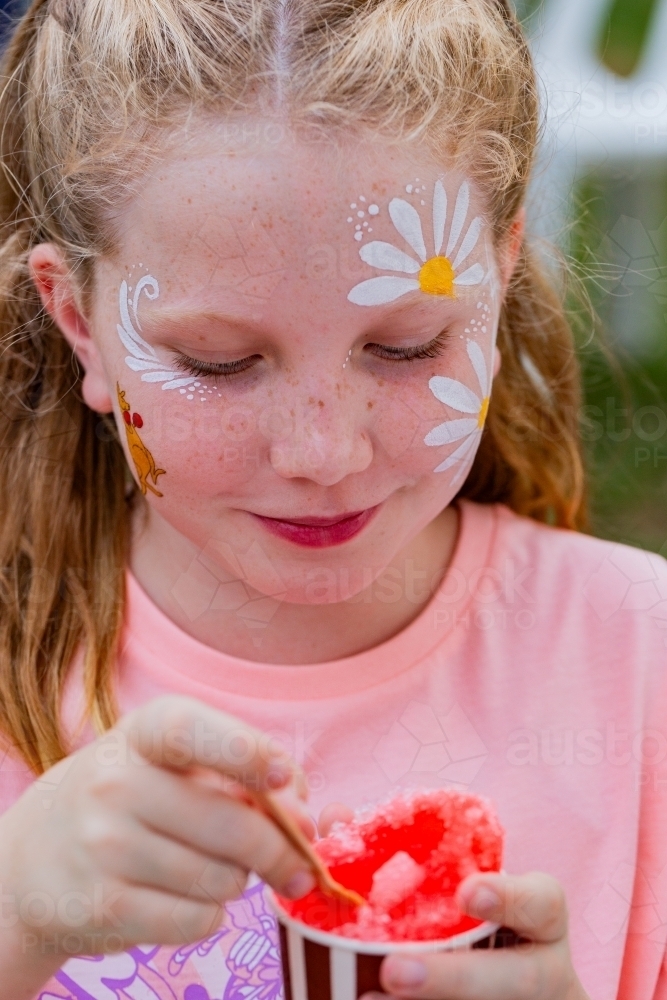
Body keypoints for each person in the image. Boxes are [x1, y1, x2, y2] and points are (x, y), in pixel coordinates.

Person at [0, 0, 665, 996]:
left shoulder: (638, 662)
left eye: (406, 346)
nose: (323, 450)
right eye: (218, 363)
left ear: (499, 267)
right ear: (80, 324)